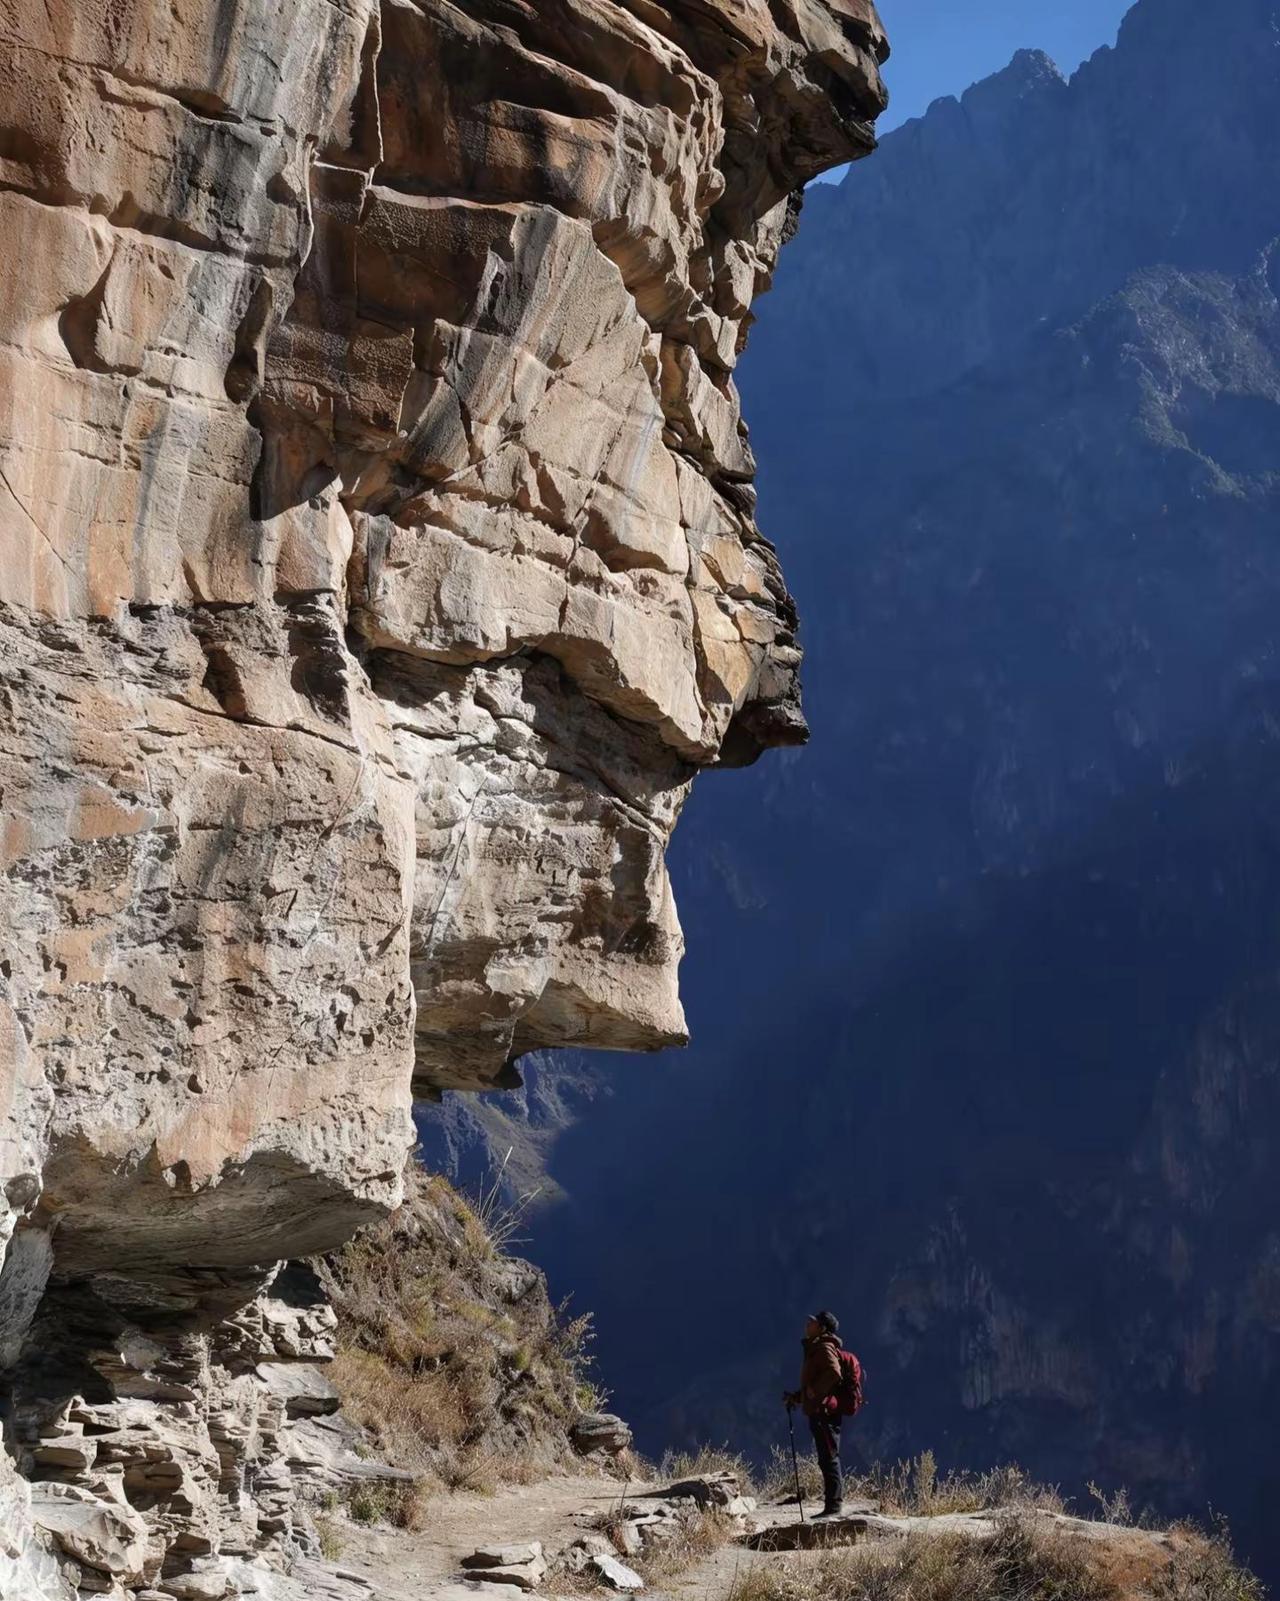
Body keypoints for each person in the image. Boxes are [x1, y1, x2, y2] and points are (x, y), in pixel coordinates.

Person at [784, 1309, 845, 1517]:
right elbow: (814, 1383)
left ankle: (834, 1506)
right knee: (825, 1458)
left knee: (829, 1457)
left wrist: (815, 1391)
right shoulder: (816, 1348)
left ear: (822, 1327)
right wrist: (797, 1397)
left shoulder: (824, 1347)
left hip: (825, 1413)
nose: (807, 1325)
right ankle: (831, 1504)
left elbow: (834, 1373)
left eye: (813, 1322)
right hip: (819, 1412)